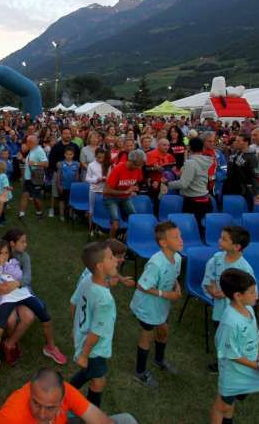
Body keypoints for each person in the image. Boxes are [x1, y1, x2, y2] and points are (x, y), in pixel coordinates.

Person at [0, 240, 64, 381]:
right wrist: (0, 267)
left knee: (46, 317)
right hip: (7, 299)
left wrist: (10, 279)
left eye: (6, 253)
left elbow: (19, 276)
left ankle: (50, 347)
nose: (4, 256)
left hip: (23, 294)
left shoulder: (13, 262)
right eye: (0, 253)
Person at [209, 269, 259, 424]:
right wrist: (257, 366)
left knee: (230, 403)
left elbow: (254, 331)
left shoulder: (248, 309)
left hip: (246, 369)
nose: (256, 295)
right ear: (238, 296)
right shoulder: (230, 323)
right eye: (252, 292)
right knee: (222, 405)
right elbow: (230, 354)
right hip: (233, 373)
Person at [130, 221, 183, 387]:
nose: (181, 240)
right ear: (163, 243)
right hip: (147, 306)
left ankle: (159, 360)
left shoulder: (177, 258)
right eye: (176, 237)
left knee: (163, 330)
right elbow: (142, 286)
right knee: (147, 336)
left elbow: (174, 276)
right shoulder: (156, 263)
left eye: (180, 236)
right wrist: (166, 294)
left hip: (161, 305)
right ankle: (139, 372)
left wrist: (177, 286)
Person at [0, 368, 138, 424]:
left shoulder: (65, 390)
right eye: (36, 404)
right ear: (29, 393)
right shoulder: (10, 417)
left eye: (50, 408)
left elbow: (100, 420)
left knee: (127, 420)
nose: (41, 414)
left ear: (61, 401)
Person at [69, 241, 118, 407]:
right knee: (98, 381)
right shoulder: (105, 300)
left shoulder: (86, 280)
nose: (116, 260)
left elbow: (73, 302)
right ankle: (89, 412)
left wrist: (74, 328)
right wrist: (84, 355)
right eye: (111, 257)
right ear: (100, 266)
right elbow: (96, 332)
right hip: (94, 349)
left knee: (91, 374)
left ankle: (65, 395)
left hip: (83, 340)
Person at [202, 225, 254, 373]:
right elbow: (208, 279)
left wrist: (226, 293)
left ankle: (236, 363)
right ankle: (221, 362)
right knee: (220, 336)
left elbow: (250, 294)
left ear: (237, 247)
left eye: (224, 239)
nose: (219, 240)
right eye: (221, 237)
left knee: (234, 339)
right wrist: (211, 290)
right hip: (220, 310)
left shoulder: (245, 269)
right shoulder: (216, 259)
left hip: (236, 313)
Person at [164, 137, 213, 230]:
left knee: (192, 230)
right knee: (201, 230)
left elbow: (183, 184)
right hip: (204, 200)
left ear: (189, 147)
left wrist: (168, 183)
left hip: (194, 203)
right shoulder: (205, 161)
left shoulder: (191, 163)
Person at [102, 150, 145, 239]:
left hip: (125, 197)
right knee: (115, 223)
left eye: (141, 165)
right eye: (137, 165)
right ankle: (111, 242)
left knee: (135, 218)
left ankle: (128, 238)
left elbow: (136, 182)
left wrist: (134, 188)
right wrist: (125, 192)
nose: (139, 167)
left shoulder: (138, 169)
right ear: (130, 161)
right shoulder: (118, 169)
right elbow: (106, 190)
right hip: (111, 198)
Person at [222, 134, 259, 207]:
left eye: (238, 141)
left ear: (246, 142)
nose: (235, 142)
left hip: (242, 190)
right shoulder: (235, 153)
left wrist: (257, 193)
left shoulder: (253, 157)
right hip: (229, 187)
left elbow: (255, 176)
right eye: (236, 140)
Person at [19, 134, 49, 219]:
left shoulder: (39, 151)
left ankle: (39, 212)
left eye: (28, 142)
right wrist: (22, 159)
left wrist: (35, 163)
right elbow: (29, 163)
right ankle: (21, 214)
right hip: (28, 178)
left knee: (36, 198)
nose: (26, 143)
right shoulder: (32, 150)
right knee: (25, 195)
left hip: (36, 179)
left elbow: (46, 164)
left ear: (32, 142)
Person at [85, 148, 108, 236]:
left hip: (103, 190)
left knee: (100, 209)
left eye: (103, 158)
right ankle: (90, 229)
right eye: (99, 157)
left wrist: (106, 179)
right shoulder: (91, 165)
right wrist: (96, 180)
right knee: (92, 209)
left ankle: (98, 228)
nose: (101, 159)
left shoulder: (106, 165)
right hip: (94, 190)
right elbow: (87, 178)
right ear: (95, 156)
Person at [57, 147, 81, 222]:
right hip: (63, 186)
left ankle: (71, 214)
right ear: (64, 154)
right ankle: (61, 215)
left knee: (71, 200)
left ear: (73, 155)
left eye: (71, 154)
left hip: (72, 187)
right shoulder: (61, 164)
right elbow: (58, 175)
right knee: (62, 200)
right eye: (67, 154)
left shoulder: (76, 164)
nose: (69, 156)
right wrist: (59, 185)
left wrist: (76, 186)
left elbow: (77, 175)